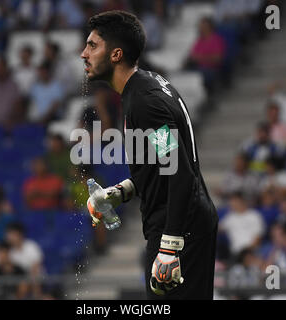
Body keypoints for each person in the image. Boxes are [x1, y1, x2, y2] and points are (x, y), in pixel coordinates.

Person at [81, 11, 218, 299]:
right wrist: (118, 193)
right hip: (183, 222)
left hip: (179, 227)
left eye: (93, 46)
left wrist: (170, 247)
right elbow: (161, 169)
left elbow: (180, 173)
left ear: (116, 54)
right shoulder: (145, 86)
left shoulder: (144, 102)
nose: (84, 53)